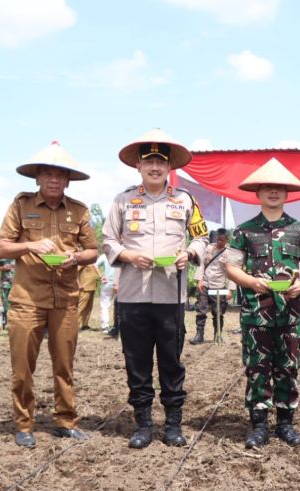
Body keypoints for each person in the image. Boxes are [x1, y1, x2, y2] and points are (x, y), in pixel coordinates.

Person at [103, 129, 208, 449]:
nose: (154, 167)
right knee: (136, 360)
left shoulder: (185, 200)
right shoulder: (122, 200)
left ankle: (173, 423)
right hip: (133, 295)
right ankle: (144, 424)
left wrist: (189, 254)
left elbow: (201, 237)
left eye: (160, 162)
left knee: (171, 361)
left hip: (170, 294)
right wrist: (128, 255)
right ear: (138, 165)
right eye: (148, 160)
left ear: (169, 168)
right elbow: (108, 240)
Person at [0, 141, 99, 449]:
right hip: (27, 298)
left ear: (68, 180)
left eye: (60, 175)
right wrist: (30, 245)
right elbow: (2, 248)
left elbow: (93, 251)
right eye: (47, 174)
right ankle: (23, 424)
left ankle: (65, 421)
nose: (54, 180)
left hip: (66, 297)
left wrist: (76, 258)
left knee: (64, 366)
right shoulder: (20, 206)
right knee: (23, 367)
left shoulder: (78, 211)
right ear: (37, 178)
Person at [224, 158, 300, 449]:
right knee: (257, 367)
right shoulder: (244, 231)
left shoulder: (299, 230)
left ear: (287, 193)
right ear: (258, 193)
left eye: (279, 188)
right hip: (256, 313)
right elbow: (232, 266)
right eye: (268, 188)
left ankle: (285, 423)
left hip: (290, 312)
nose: (274, 192)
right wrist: (251, 282)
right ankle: (258, 425)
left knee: (288, 366)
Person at [190, 228, 231, 344]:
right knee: (201, 310)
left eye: (222, 240)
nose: (219, 242)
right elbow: (201, 264)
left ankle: (218, 335)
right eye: (217, 239)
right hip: (205, 284)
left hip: (219, 286)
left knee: (218, 312)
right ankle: (199, 335)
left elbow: (232, 271)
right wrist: (199, 280)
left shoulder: (229, 252)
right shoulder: (209, 248)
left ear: (227, 239)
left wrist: (230, 290)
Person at [96, 252, 116, 334]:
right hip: (119, 282)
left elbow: (94, 265)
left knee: (105, 305)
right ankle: (118, 325)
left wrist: (101, 276)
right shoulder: (120, 254)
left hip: (107, 283)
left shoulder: (104, 256)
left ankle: (105, 326)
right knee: (118, 305)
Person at [77, 263, 99, 330]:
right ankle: (75, 325)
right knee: (81, 307)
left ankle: (85, 324)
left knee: (89, 307)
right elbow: (75, 272)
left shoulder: (91, 262)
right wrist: (78, 284)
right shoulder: (84, 262)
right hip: (85, 288)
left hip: (92, 287)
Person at [0, 257, 15, 329]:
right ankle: (7, 322)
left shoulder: (19, 252)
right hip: (5, 283)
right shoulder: (2, 254)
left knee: (17, 303)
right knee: (6, 303)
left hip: (18, 283)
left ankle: (15, 323)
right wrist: (2, 268)